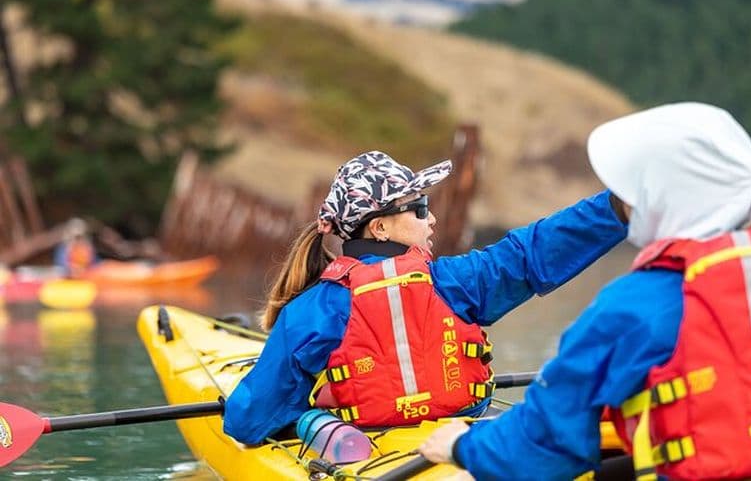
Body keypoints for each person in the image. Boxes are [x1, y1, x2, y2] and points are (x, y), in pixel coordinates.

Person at [419, 102, 751, 480]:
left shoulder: (632, 306)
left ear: (660, 201)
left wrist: (460, 445)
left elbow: (543, 445)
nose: (627, 204)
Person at [223, 150, 629, 445]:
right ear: (379, 227)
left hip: (368, 455)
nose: (431, 217)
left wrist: (311, 419)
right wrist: (614, 207)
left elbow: (246, 421)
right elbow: (533, 252)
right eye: (418, 208)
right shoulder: (456, 282)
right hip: (461, 447)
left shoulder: (311, 312)